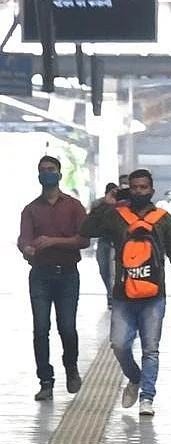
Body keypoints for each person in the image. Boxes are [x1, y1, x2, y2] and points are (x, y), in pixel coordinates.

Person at [80, 168, 171, 416]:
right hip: (123, 295)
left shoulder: (163, 219)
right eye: (134, 187)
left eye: (143, 187)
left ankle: (147, 396)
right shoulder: (116, 216)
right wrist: (106, 203)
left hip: (154, 295)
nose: (139, 192)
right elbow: (86, 230)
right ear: (129, 189)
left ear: (152, 190)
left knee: (151, 349)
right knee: (118, 344)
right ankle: (135, 378)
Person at [19, 155, 89, 401]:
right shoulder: (30, 209)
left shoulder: (73, 206)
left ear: (59, 173)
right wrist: (27, 248)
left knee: (67, 328)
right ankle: (45, 380)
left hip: (68, 275)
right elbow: (23, 239)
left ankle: (71, 368)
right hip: (40, 276)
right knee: (40, 329)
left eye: (51, 169)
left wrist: (53, 241)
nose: (47, 173)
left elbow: (84, 240)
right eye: (42, 170)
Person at [92, 181, 119, 309]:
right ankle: (109, 292)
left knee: (114, 271)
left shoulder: (122, 204)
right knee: (103, 270)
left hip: (116, 242)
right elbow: (91, 222)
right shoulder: (98, 203)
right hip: (103, 241)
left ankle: (113, 296)